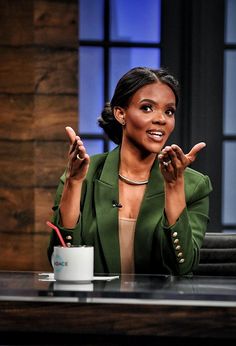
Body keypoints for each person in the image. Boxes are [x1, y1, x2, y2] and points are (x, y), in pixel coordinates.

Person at [47, 66, 212, 276]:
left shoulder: (194, 186)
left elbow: (182, 266)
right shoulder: (83, 175)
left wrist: (174, 185)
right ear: (121, 113)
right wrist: (73, 183)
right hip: (95, 305)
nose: (161, 119)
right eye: (147, 108)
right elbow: (61, 263)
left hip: (162, 307)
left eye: (169, 111)